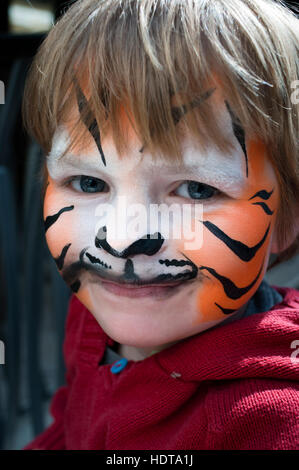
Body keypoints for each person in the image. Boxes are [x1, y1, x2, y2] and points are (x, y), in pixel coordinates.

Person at [23, 0, 299, 450]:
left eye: (196, 190)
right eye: (89, 182)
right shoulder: (98, 314)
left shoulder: (269, 422)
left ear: (288, 218)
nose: (122, 240)